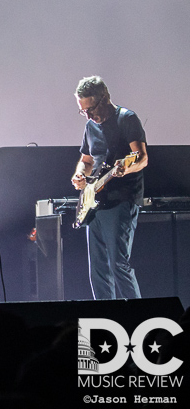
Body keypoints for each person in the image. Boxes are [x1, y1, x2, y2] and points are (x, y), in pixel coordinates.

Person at [71, 76, 147, 300]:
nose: (88, 115)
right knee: (98, 270)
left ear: (104, 98)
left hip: (121, 199)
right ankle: (106, 317)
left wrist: (125, 169)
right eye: (82, 111)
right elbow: (86, 160)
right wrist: (80, 174)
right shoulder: (89, 126)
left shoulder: (127, 119)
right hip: (94, 201)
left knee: (118, 264)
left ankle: (137, 318)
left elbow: (141, 158)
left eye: (90, 109)